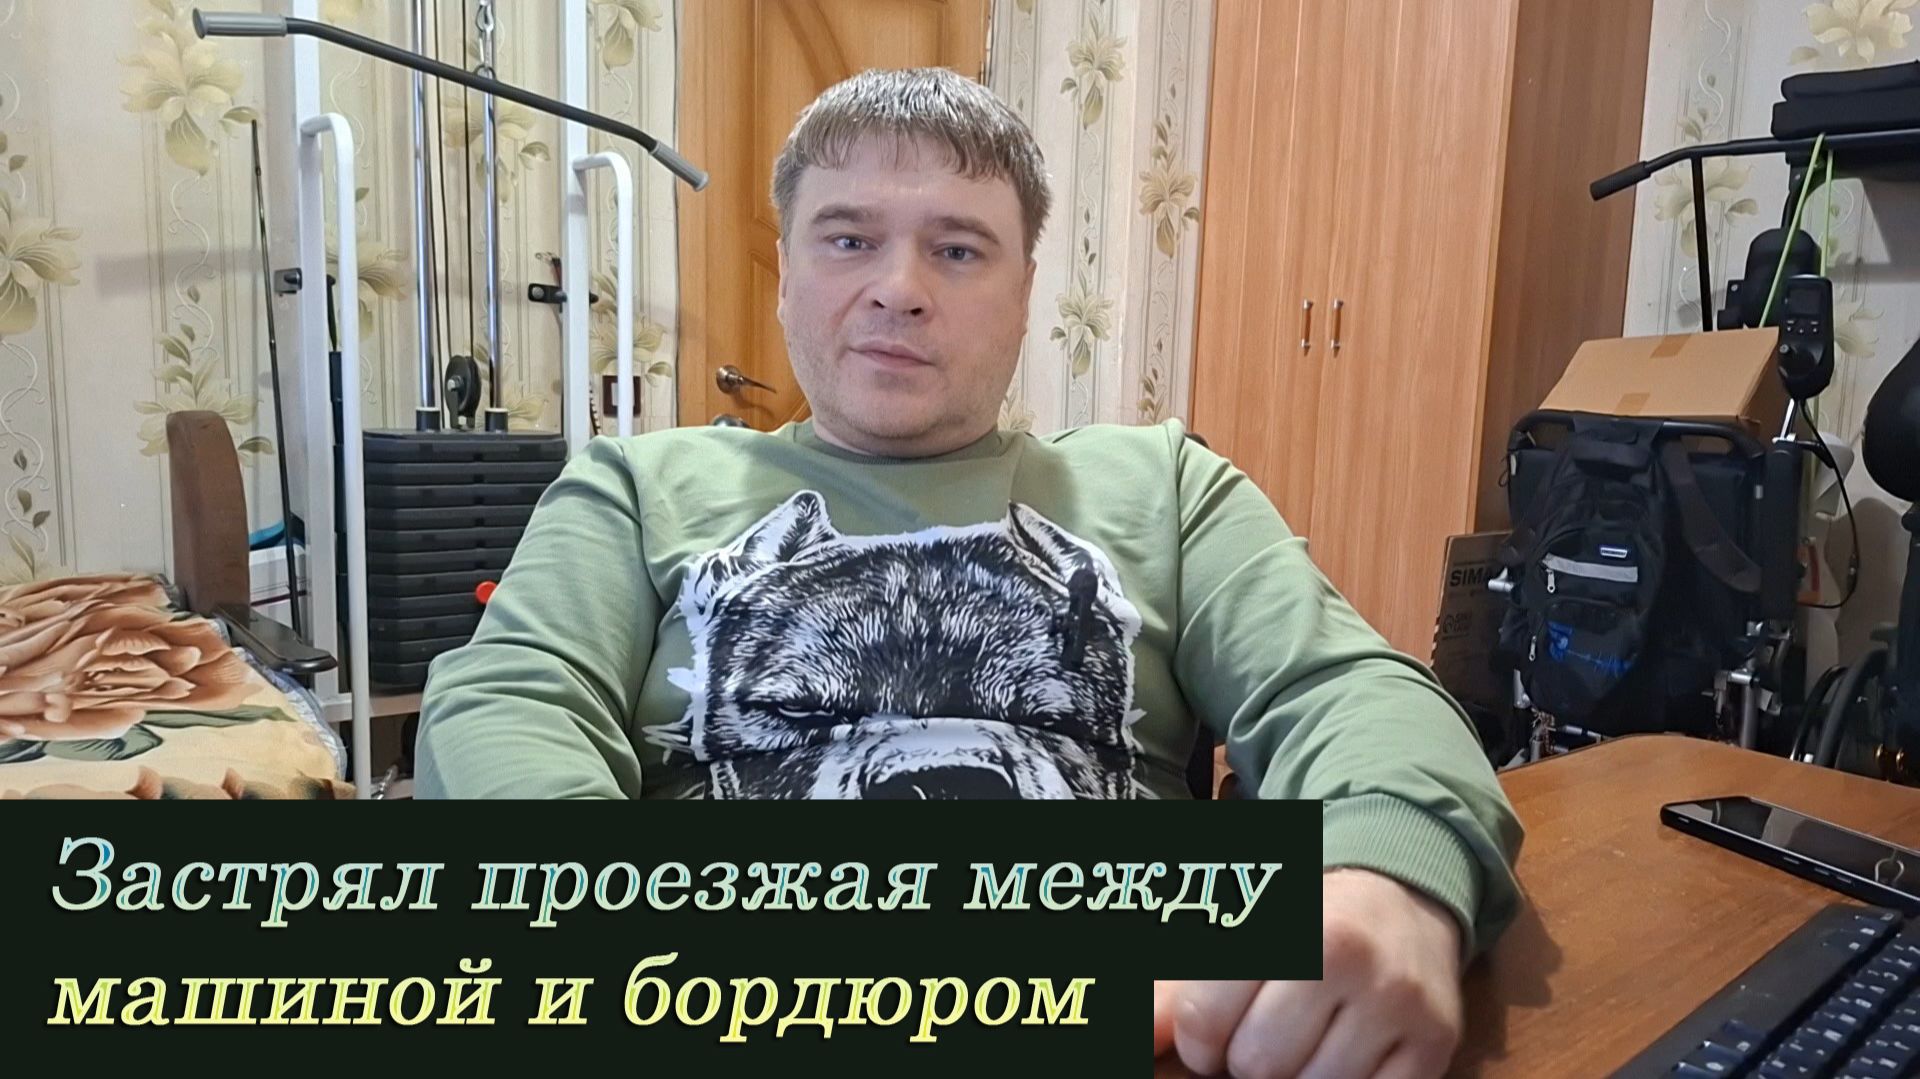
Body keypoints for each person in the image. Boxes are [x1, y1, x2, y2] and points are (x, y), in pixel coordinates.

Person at [415, 67, 1524, 1078]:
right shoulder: (635, 487)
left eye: (957, 249)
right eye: (849, 238)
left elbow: (1345, 688)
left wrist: (1391, 874)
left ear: (1025, 288)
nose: (898, 288)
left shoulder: (1165, 486)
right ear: (786, 273)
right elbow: (510, 699)